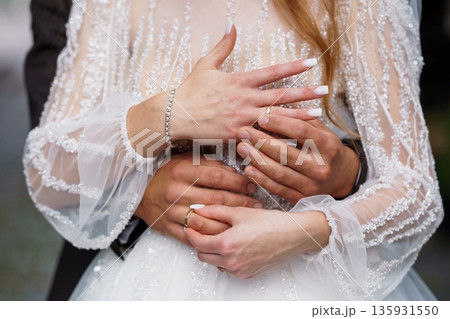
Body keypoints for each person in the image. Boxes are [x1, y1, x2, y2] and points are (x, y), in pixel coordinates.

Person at [23, 0, 443, 300]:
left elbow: (417, 190)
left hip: (313, 284)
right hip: (145, 283)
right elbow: (45, 170)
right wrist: (162, 116)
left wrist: (307, 230)